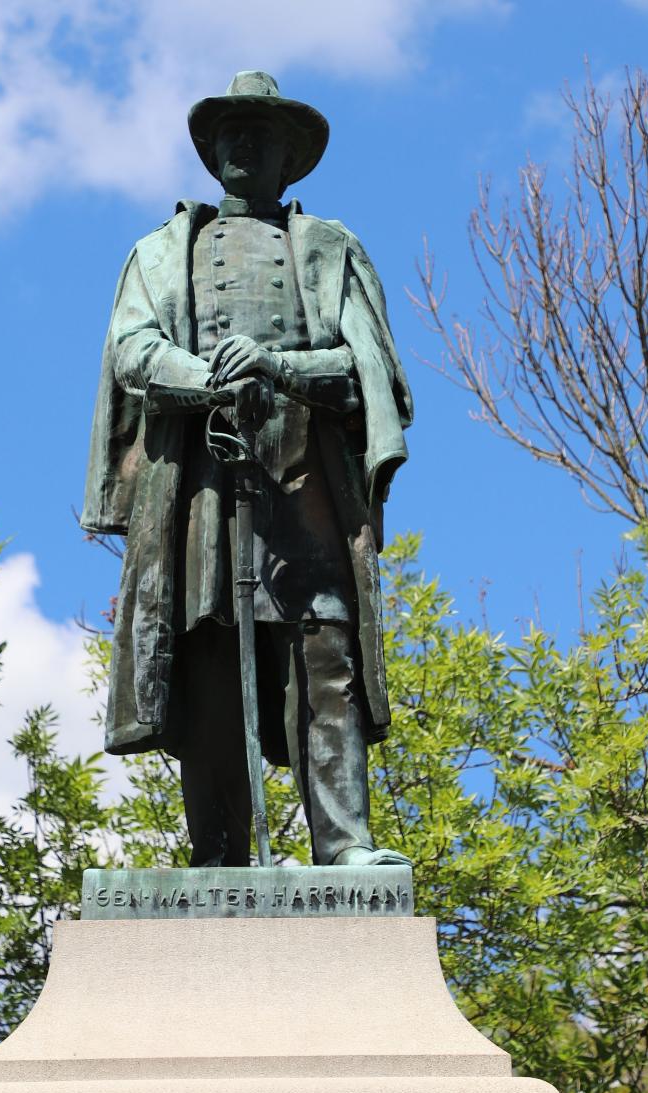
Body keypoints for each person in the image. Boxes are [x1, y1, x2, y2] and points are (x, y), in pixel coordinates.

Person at [83, 71, 414, 867]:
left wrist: (279, 368)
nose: (242, 143)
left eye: (260, 134)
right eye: (230, 130)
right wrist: (211, 381)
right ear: (210, 150)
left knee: (322, 649)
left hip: (303, 486)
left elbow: (371, 375)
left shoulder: (334, 252)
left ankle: (345, 846)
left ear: (289, 158)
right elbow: (133, 352)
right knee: (207, 659)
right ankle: (221, 855)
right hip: (197, 485)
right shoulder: (161, 253)